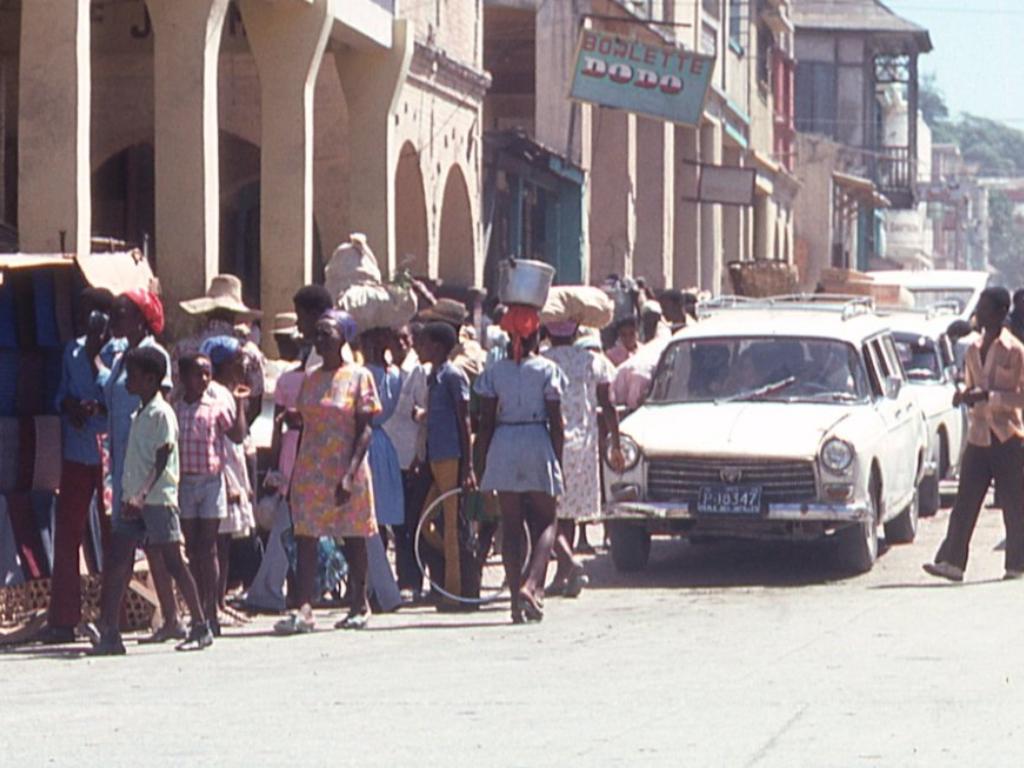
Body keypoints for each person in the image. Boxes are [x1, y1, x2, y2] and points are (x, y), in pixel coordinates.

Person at [89, 347, 211, 655]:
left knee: (173, 562)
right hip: (133, 500)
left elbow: (163, 455)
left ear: (151, 379)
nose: (128, 381)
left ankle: (200, 625)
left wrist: (142, 494)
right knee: (118, 560)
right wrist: (131, 495)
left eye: (133, 376)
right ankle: (110, 633)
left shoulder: (162, 413)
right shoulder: (139, 413)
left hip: (157, 500)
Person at [275, 309, 380, 634]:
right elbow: (307, 420)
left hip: (346, 468)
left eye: (326, 333)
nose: (318, 339)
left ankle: (359, 603)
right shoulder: (311, 378)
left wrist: (349, 474)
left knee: (353, 536)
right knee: (306, 537)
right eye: (316, 333)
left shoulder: (359, 376)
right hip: (310, 468)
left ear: (343, 337)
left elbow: (365, 429)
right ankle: (304, 607)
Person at [39, 288, 124, 644]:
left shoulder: (119, 352)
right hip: (76, 449)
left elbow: (119, 397)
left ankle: (113, 616)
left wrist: (95, 361)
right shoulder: (71, 350)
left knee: (111, 532)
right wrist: (70, 406)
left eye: (92, 312)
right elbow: (60, 394)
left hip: (107, 451)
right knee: (68, 533)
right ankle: (64, 618)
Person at [925, 287, 1024, 582]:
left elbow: (1020, 396)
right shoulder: (972, 350)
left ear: (999, 312)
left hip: (1008, 436)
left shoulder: (1015, 351)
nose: (978, 313)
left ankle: (1017, 564)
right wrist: (964, 395)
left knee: (1015, 504)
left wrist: (991, 397)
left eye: (984, 307)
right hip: (979, 435)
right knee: (965, 501)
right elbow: (970, 386)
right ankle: (952, 562)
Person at [101, 289, 183, 643]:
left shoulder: (153, 355)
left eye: (122, 313)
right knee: (146, 546)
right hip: (124, 463)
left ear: (140, 318)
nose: (114, 320)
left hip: (146, 468)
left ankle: (110, 627)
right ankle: (172, 618)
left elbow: (159, 410)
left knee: (137, 546)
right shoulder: (120, 357)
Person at [476, 305, 566, 623]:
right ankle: (532, 585)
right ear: (537, 336)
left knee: (511, 525)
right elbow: (557, 423)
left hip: (504, 443)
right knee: (547, 520)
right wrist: (557, 461)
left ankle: (516, 601)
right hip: (536, 441)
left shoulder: (495, 372)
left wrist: (481, 463)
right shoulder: (547, 370)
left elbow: (485, 423)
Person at [543, 321, 624, 596]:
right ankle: (563, 575)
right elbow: (608, 404)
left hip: (550, 442)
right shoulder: (593, 362)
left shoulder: (542, 362)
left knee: (545, 511)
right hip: (584, 446)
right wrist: (615, 443)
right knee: (567, 513)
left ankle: (568, 564)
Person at [173, 346, 247, 634]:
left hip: (211, 482)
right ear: (183, 378)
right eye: (197, 374)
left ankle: (212, 608)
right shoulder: (177, 409)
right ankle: (199, 611)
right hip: (186, 483)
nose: (204, 379)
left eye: (207, 374)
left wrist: (239, 403)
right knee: (192, 548)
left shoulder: (216, 407)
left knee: (209, 546)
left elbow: (237, 435)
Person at [418, 322, 478, 609]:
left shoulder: (453, 376)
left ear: (438, 347)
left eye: (425, 343)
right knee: (427, 523)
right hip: (435, 456)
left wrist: (468, 467)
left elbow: (464, 420)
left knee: (452, 526)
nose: (420, 348)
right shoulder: (434, 377)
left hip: (451, 457)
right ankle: (461, 562)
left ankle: (453, 591)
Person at [201, 336, 257, 616]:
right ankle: (214, 601)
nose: (242, 367)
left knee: (222, 542)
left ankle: (219, 601)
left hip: (226, 465)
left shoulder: (217, 390)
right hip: (222, 467)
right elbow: (237, 433)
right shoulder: (222, 394)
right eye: (238, 362)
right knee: (218, 541)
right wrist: (241, 403)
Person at [383, 324, 432, 603]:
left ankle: (413, 580)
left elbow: (425, 413)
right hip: (390, 457)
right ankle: (400, 579)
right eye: (395, 338)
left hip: (411, 456)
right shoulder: (387, 372)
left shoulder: (418, 371)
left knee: (413, 522)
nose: (400, 343)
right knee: (397, 523)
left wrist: (418, 454)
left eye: (404, 338)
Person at [355, 327, 403, 613]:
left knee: (368, 518)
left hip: (366, 443)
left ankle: (371, 585)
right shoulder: (394, 375)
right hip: (382, 444)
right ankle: (374, 584)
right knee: (379, 518)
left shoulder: (363, 375)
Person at [175, 274, 266, 421]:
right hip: (235, 425)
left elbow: (176, 394)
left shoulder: (184, 348)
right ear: (235, 314)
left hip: (190, 426)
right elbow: (256, 403)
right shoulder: (249, 351)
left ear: (207, 311)